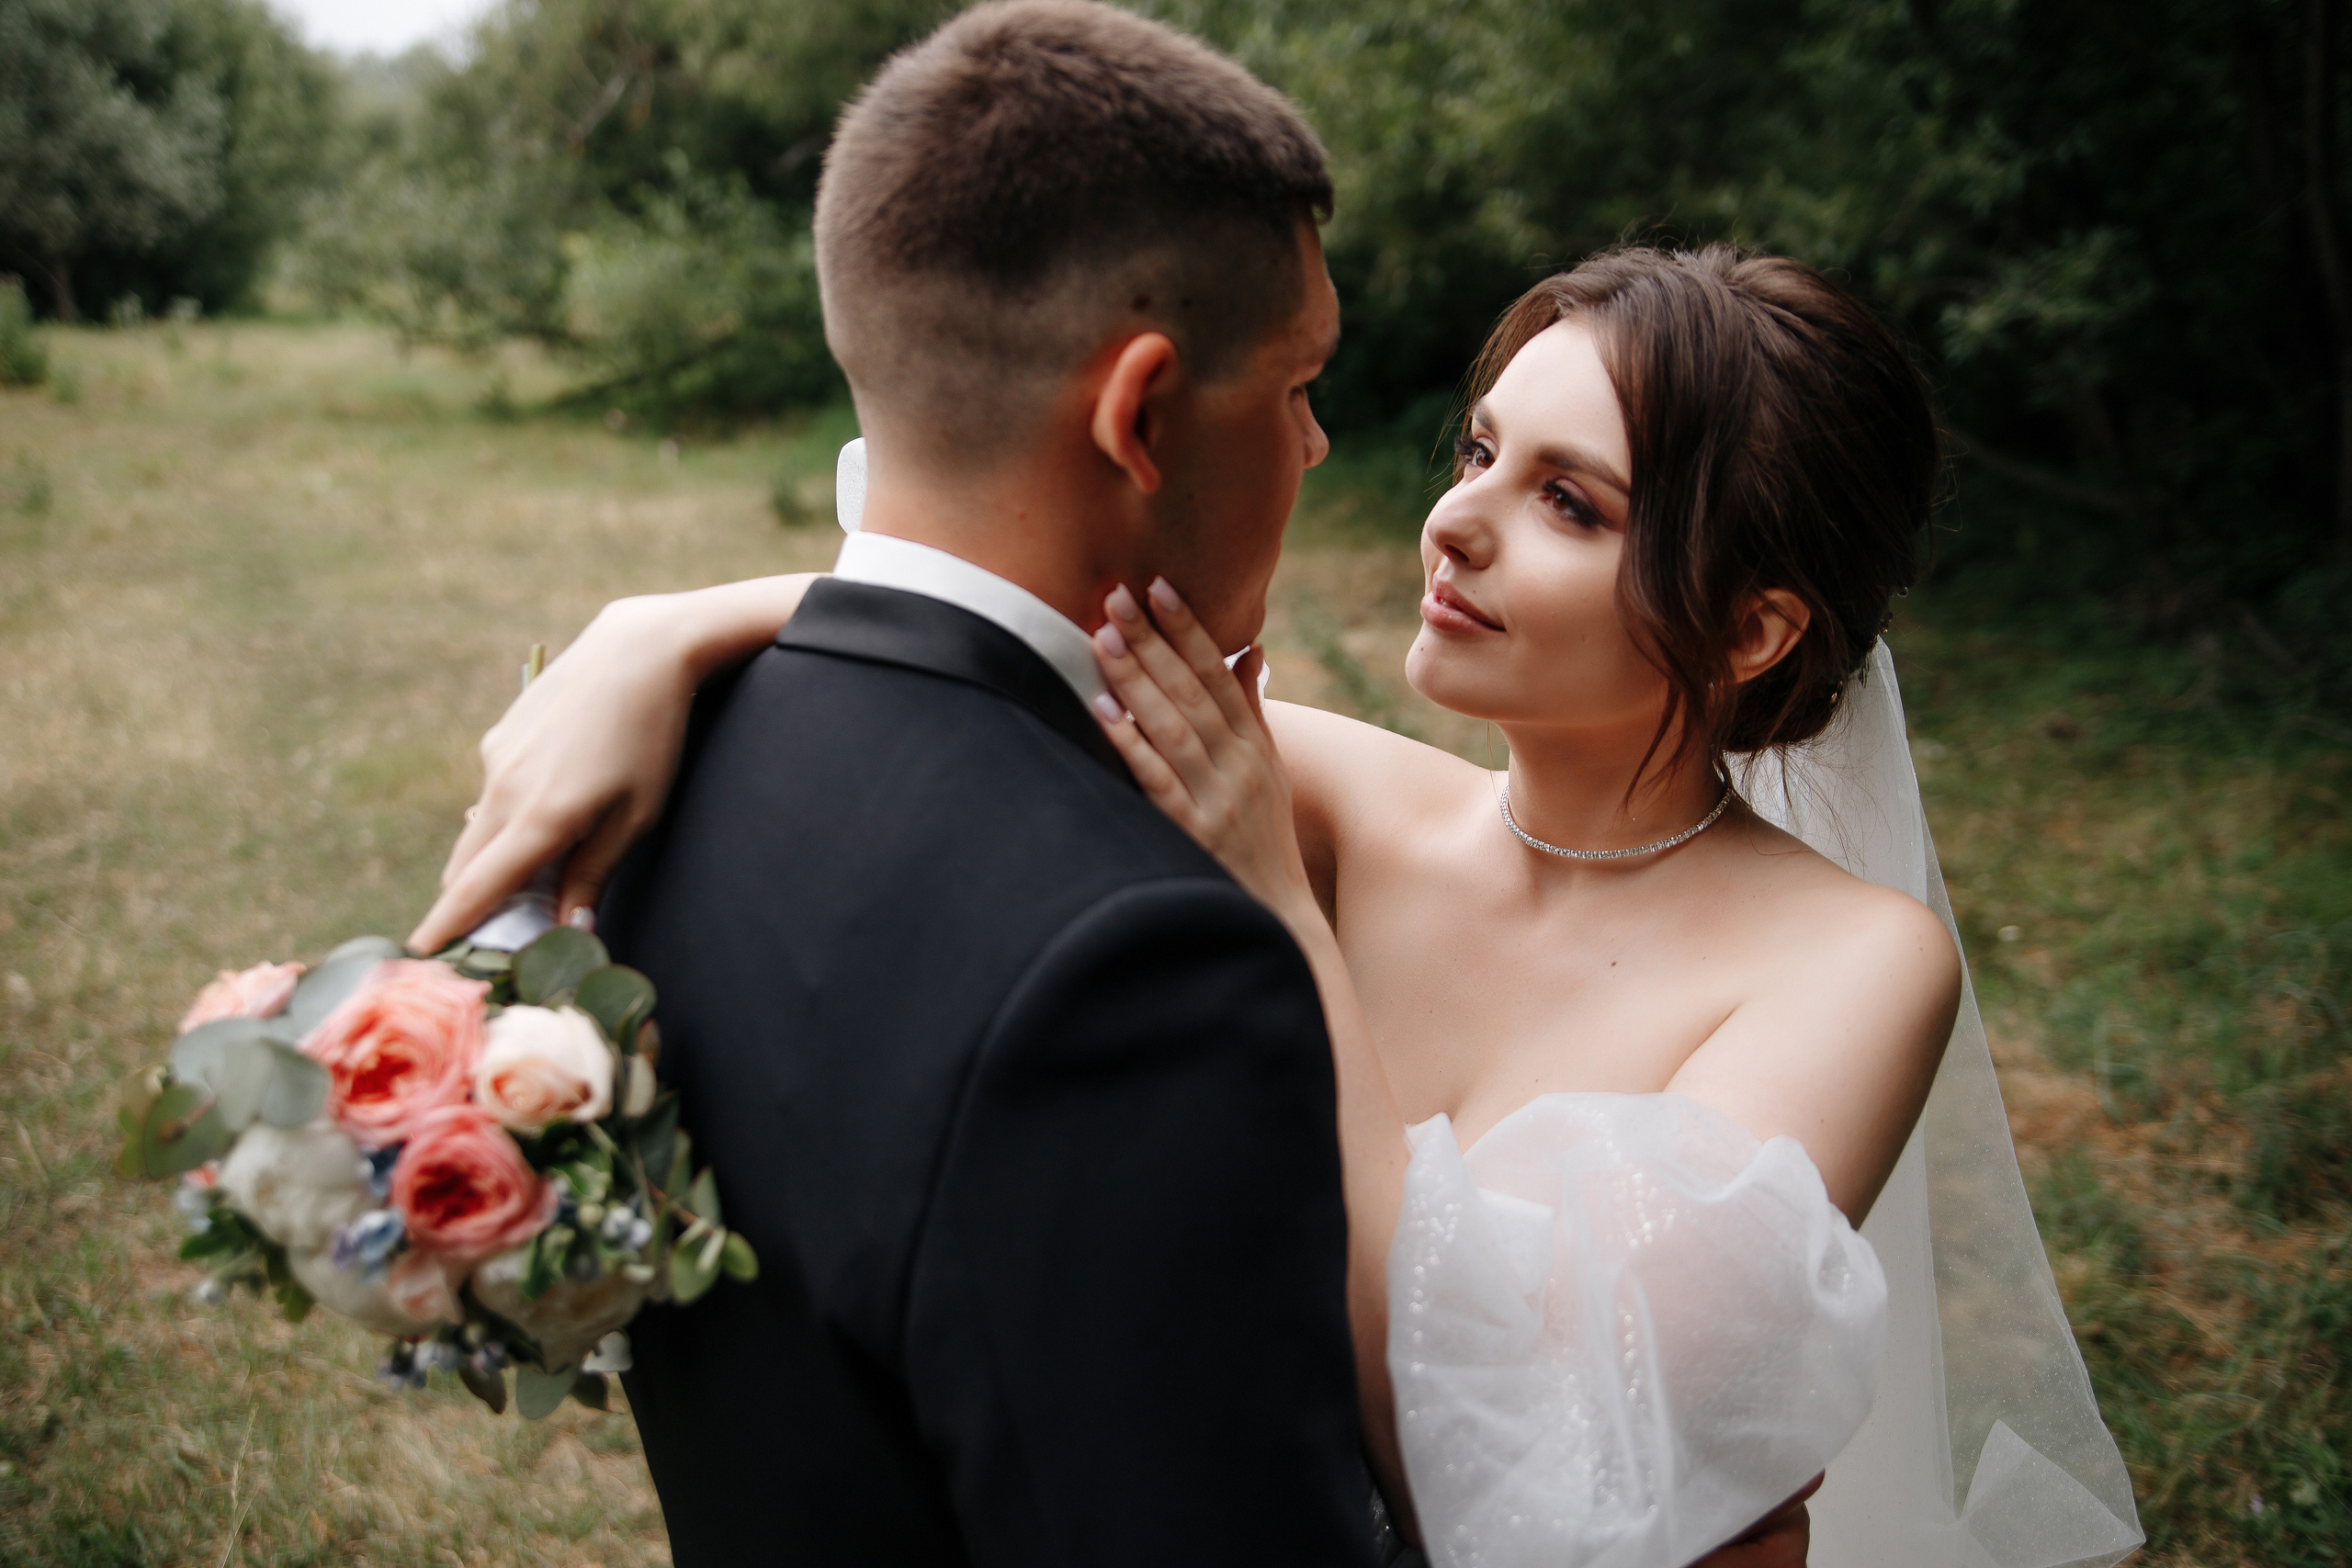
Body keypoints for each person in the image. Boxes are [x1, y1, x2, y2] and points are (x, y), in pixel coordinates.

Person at [411, 17, 2141, 1568]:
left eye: (1572, 503)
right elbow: (1000, 603)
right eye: (1479, 452)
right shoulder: (1322, 783)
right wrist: (656, 633)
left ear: (1759, 625)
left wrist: (1287, 921)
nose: (1453, 522)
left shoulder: (1845, 964)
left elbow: (1550, 1489)